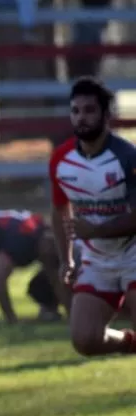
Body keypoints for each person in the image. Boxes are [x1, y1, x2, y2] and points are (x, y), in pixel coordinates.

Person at [50, 76, 136, 356]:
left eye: (89, 110)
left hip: (133, 256)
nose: (81, 118)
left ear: (106, 115)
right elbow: (59, 209)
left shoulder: (127, 158)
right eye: (75, 111)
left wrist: (96, 230)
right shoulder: (61, 160)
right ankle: (129, 343)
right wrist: (67, 260)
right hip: (97, 261)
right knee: (84, 340)